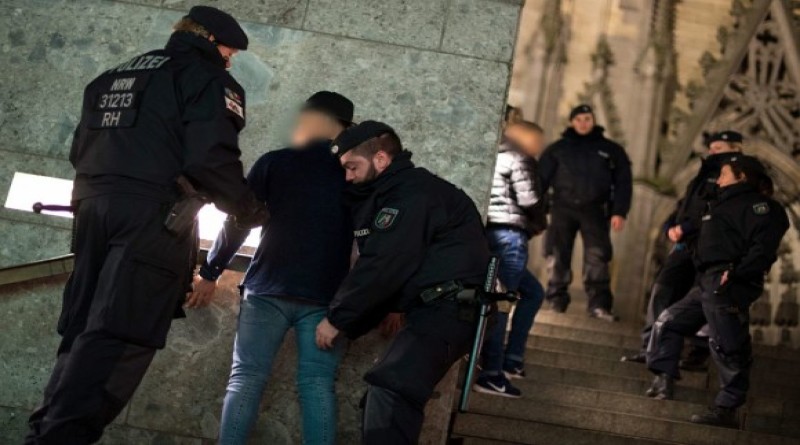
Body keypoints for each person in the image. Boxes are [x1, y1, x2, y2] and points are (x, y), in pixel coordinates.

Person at [26, 6, 267, 444]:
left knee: (83, 330)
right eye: (229, 52)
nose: (230, 61)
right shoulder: (208, 79)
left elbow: (80, 149)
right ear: (211, 42)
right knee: (120, 333)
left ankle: (46, 431)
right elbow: (209, 157)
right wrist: (248, 209)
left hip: (93, 211)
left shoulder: (112, 77)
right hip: (151, 217)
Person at [189, 91, 355, 445]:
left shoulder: (275, 162)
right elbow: (375, 248)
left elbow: (240, 221)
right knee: (317, 386)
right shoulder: (355, 176)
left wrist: (210, 271)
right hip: (327, 299)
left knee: (245, 378)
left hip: (267, 288)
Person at [314, 121, 491, 444]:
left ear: (381, 159)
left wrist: (337, 318)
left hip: (450, 309)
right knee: (384, 398)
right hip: (440, 308)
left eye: (352, 167)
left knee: (391, 391)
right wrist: (394, 306)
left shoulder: (410, 194)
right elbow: (414, 259)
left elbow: (385, 262)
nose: (348, 176)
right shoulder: (401, 190)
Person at [645, 155, 789, 428]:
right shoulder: (716, 203)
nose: (719, 179)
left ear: (742, 176)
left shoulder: (763, 208)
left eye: (724, 174)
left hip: (729, 282)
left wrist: (737, 273)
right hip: (707, 280)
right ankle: (663, 378)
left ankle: (727, 408)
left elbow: (763, 248)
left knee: (727, 343)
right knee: (667, 322)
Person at [621, 131, 743, 366]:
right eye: (711, 147)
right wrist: (670, 226)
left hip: (711, 247)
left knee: (704, 300)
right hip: (685, 246)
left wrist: (685, 227)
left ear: (735, 149)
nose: (712, 152)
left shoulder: (736, 177)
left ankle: (696, 354)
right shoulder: (702, 174)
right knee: (662, 290)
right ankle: (651, 348)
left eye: (718, 147)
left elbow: (718, 211)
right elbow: (683, 206)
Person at [538, 104, 632, 320]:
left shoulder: (611, 150)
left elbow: (623, 182)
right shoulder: (557, 149)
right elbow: (540, 181)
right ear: (572, 122)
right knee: (557, 253)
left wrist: (620, 211)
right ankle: (556, 300)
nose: (583, 123)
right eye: (578, 119)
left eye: (587, 119)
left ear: (594, 121)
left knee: (598, 257)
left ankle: (599, 305)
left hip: (595, 210)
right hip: (562, 208)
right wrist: (540, 210)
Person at [474, 121, 547, 397]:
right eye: (538, 141)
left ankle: (512, 359)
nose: (539, 148)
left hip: (492, 234)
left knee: (533, 292)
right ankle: (492, 373)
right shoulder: (519, 157)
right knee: (501, 304)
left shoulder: (496, 154)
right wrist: (540, 223)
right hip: (510, 238)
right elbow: (530, 200)